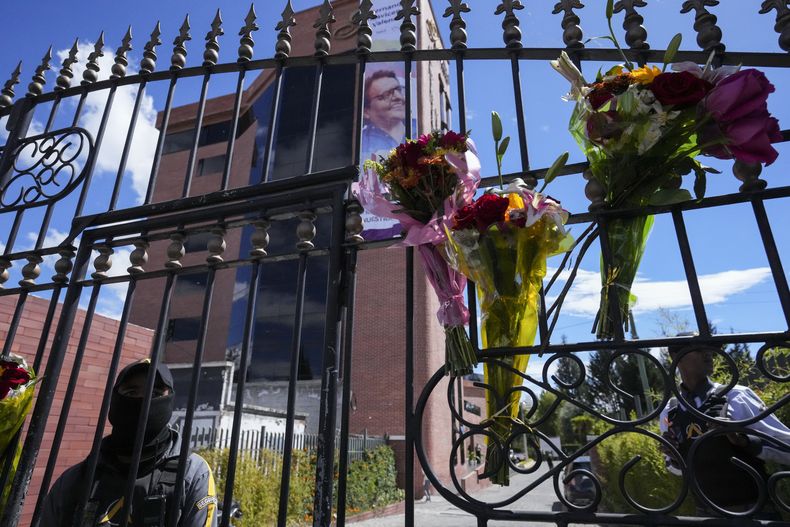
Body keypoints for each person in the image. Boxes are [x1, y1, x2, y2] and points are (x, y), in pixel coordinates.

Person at [41, 360, 218, 526]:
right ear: (116, 400)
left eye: (155, 393)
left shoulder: (191, 474)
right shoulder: (76, 479)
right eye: (132, 392)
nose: (143, 401)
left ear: (169, 400)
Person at [659, 338, 790, 518]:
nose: (708, 354)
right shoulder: (670, 411)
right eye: (699, 349)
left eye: (710, 350)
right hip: (706, 515)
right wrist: (675, 457)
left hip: (754, 511)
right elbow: (675, 470)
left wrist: (743, 440)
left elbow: (785, 447)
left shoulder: (736, 396)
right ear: (676, 356)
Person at [361, 69, 406, 161]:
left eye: (398, 90)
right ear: (366, 112)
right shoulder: (361, 143)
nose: (398, 97)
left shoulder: (420, 131)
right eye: (386, 95)